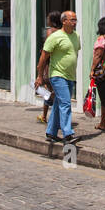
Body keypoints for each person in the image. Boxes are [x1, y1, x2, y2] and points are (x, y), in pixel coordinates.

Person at [36, 10, 80, 145]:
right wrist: (40, 76)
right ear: (64, 21)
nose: (74, 23)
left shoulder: (76, 36)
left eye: (75, 20)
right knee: (66, 102)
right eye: (72, 20)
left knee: (58, 104)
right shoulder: (55, 37)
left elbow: (74, 54)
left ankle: (51, 132)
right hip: (57, 75)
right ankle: (68, 134)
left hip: (70, 75)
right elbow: (43, 57)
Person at [37, 11, 61, 124]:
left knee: (48, 90)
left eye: (48, 18)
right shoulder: (62, 32)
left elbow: (47, 48)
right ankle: (45, 115)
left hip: (50, 63)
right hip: (59, 63)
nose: (47, 20)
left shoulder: (50, 31)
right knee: (53, 91)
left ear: (52, 20)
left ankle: (46, 116)